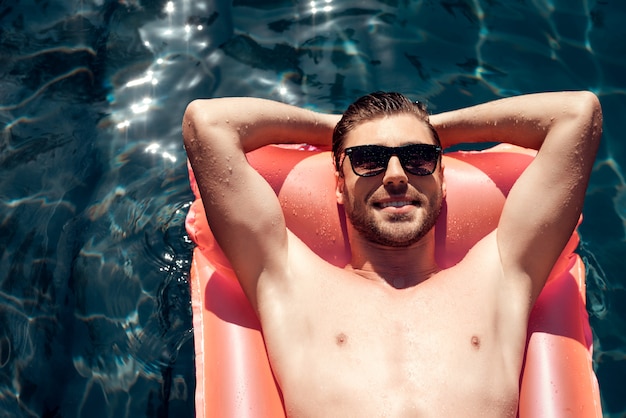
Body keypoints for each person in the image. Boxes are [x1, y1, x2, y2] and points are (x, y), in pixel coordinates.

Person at [182, 91, 602, 417]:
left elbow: (577, 114)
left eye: (418, 158)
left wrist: (434, 129)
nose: (397, 176)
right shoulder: (286, 279)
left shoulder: (503, 273)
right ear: (338, 185)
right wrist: (338, 130)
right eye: (368, 160)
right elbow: (208, 123)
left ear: (442, 176)